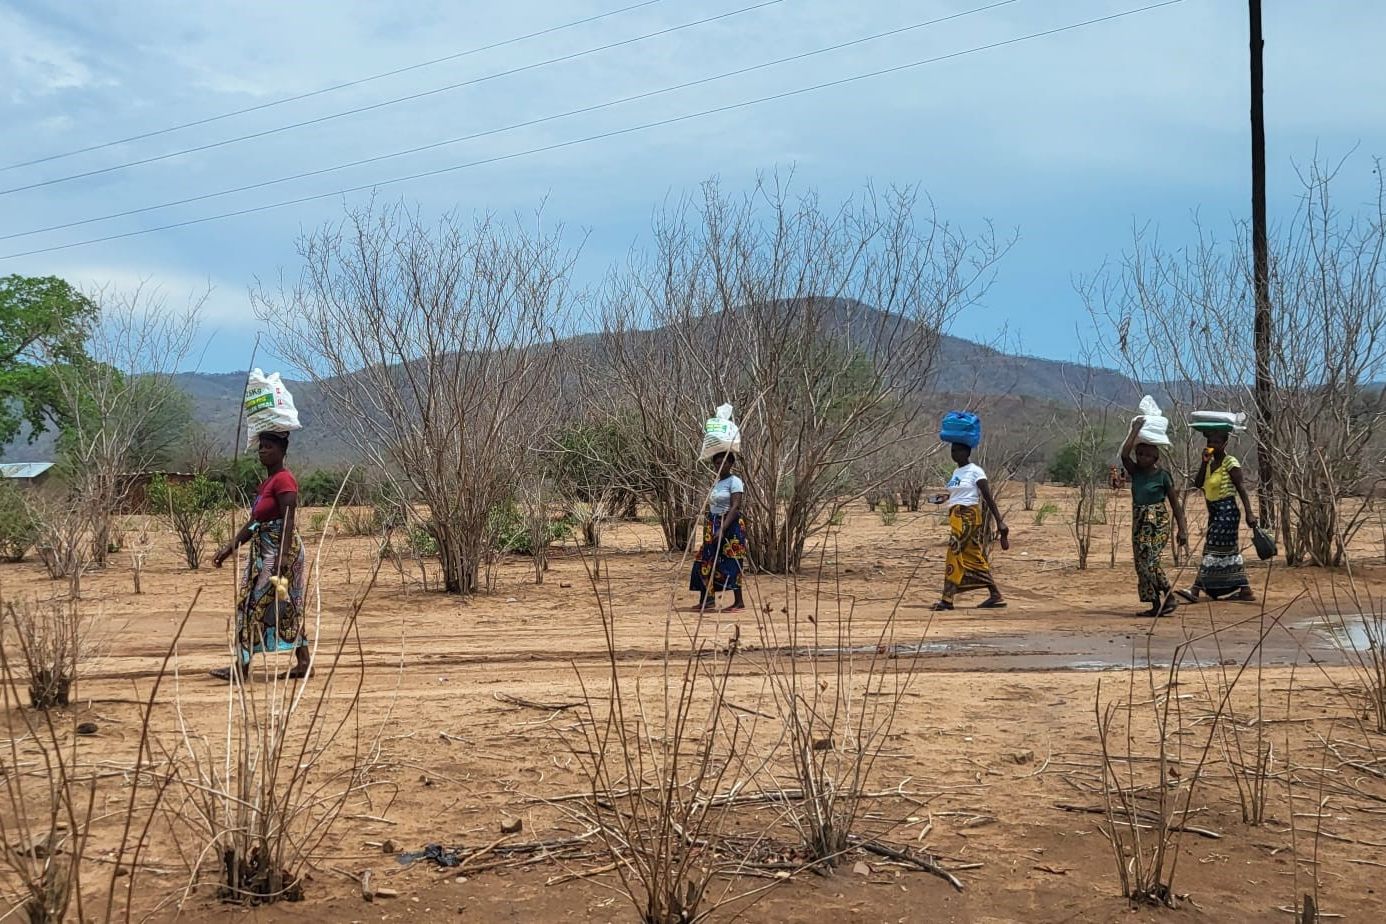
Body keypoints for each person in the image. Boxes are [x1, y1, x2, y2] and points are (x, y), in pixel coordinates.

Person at [210, 431, 309, 680]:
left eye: (269, 447)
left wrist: (281, 560)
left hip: (278, 553)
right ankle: (304, 662)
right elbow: (255, 523)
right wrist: (229, 547)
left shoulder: (284, 480)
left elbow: (288, 521)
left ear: (282, 451)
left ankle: (241, 668)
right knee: (285, 606)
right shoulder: (267, 483)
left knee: (254, 605)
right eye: (261, 447)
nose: (263, 451)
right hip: (265, 551)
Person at [1177, 428, 1258, 603]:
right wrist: (1204, 463)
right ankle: (1245, 589)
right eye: (1209, 442)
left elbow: (1241, 488)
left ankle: (1195, 590)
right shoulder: (1210, 464)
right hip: (1214, 512)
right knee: (1228, 551)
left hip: (1227, 512)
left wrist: (1249, 513)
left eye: (1216, 442)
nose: (1212, 445)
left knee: (1211, 549)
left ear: (1225, 444)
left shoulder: (1230, 462)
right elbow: (1198, 484)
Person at [1121, 417, 1189, 617]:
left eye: (1146, 455)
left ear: (1155, 458)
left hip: (1157, 521)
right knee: (1141, 565)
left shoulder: (1162, 476)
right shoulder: (1135, 472)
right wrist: (1134, 430)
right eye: (1139, 453)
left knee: (1150, 561)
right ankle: (1155, 603)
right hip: (1139, 520)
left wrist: (1182, 529)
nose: (1141, 457)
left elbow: (1175, 505)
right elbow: (1124, 454)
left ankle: (1169, 597)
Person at [930, 442, 1009, 611]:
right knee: (973, 556)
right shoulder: (956, 472)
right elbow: (958, 493)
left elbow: (987, 496)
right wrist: (945, 497)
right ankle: (995, 595)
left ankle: (947, 599)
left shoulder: (976, 471)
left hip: (968, 516)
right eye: (952, 450)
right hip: (956, 516)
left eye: (957, 450)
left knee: (954, 550)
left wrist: (999, 520)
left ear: (966, 452)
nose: (954, 454)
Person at [690, 452, 748, 613]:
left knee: (732, 562)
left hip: (730, 526)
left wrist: (723, 528)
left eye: (724, 463)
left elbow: (735, 507)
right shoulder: (717, 483)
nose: (720, 466)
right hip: (713, 524)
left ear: (731, 464)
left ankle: (739, 602)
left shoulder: (735, 482)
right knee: (705, 560)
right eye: (716, 463)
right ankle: (707, 599)